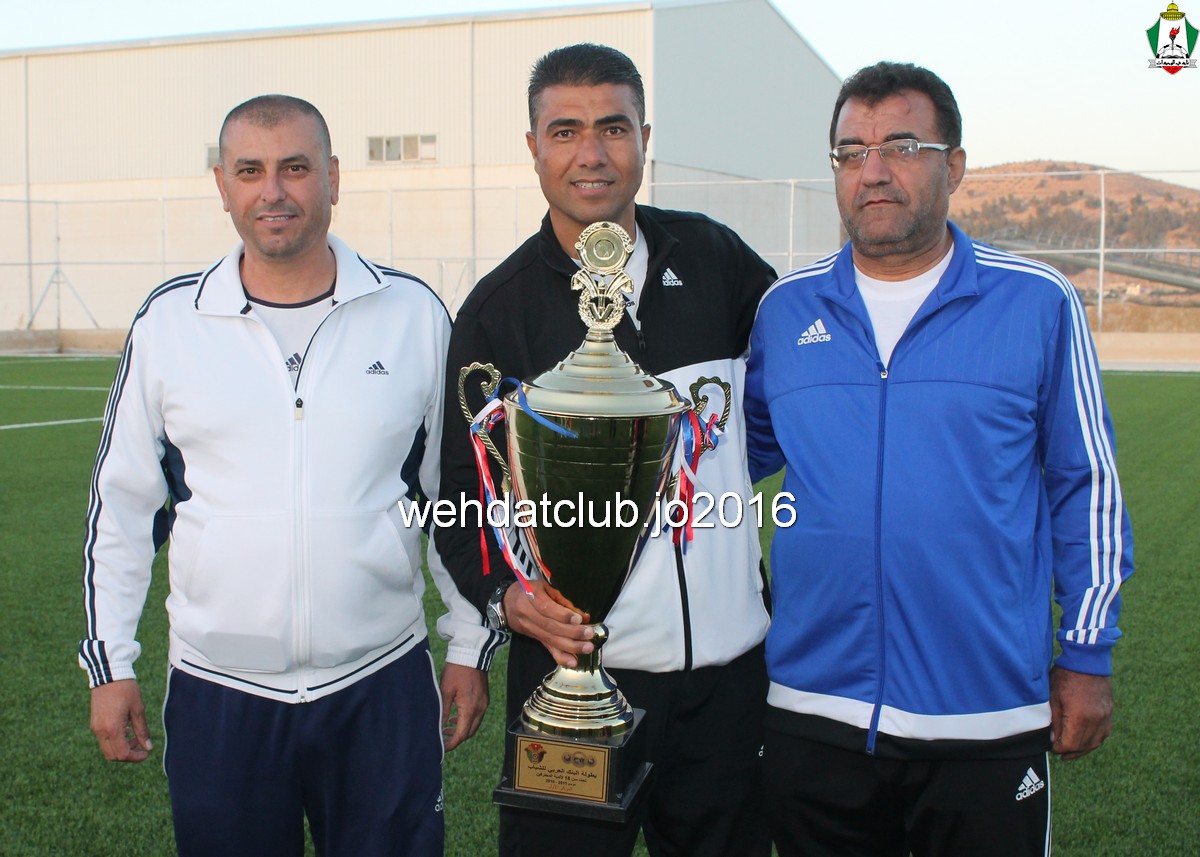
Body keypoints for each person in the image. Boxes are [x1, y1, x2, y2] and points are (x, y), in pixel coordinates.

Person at [78, 94, 491, 857]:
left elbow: (454, 495)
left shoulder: (410, 313)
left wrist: (468, 641)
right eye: (250, 171)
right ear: (222, 184)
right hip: (219, 687)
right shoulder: (170, 323)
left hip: (379, 679)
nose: (273, 191)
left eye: (295, 168)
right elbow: (123, 506)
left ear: (333, 177)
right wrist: (110, 659)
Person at [744, 61, 1134, 856]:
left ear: (953, 166)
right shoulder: (786, 310)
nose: (873, 171)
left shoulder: (1036, 301)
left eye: (902, 146)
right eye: (851, 152)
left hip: (985, 714)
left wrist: (1086, 654)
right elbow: (730, 459)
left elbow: (1085, 485)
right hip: (813, 711)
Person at [435, 43, 774, 857]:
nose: (591, 153)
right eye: (566, 131)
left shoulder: (715, 258)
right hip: (571, 675)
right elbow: (459, 498)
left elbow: (789, 390)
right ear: (533, 147)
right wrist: (503, 598)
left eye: (613, 127)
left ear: (644, 138)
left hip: (726, 681)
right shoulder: (497, 311)